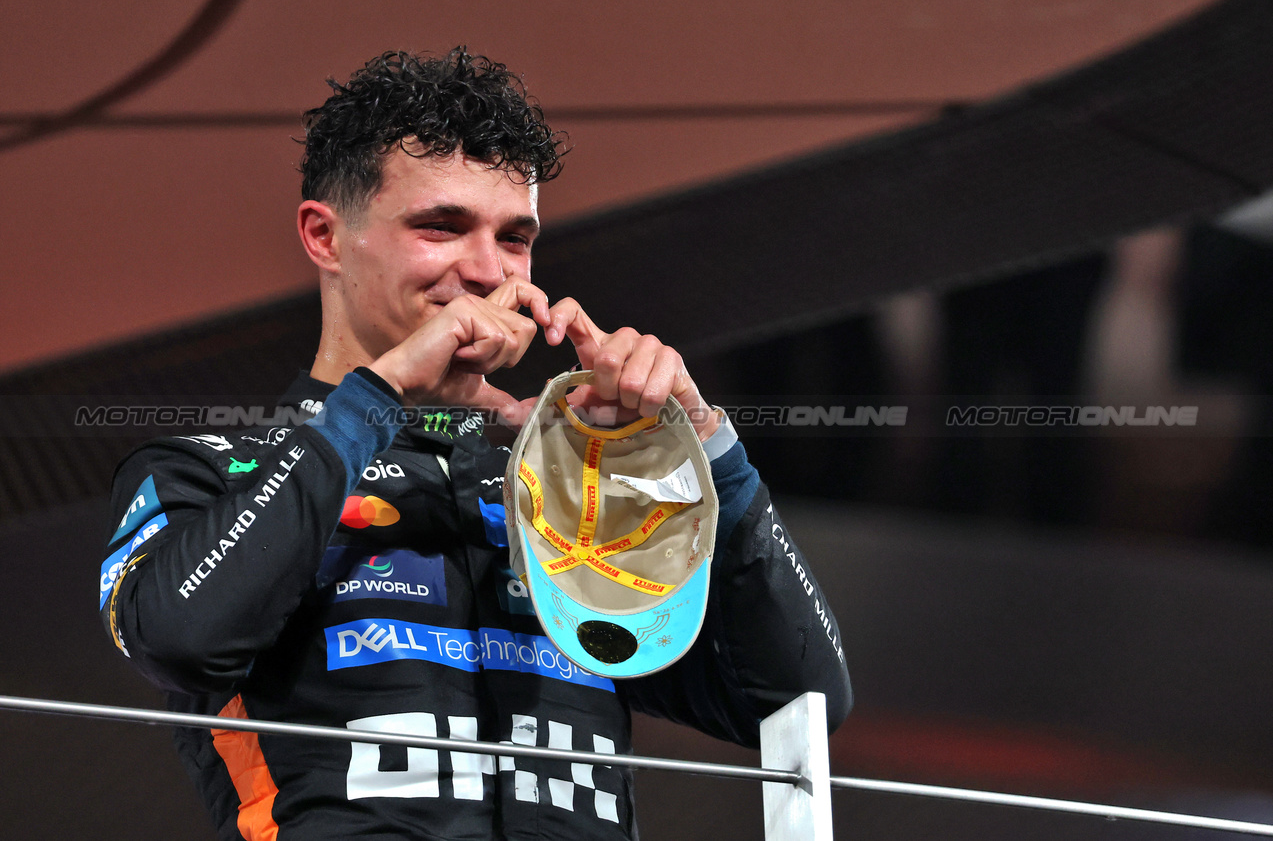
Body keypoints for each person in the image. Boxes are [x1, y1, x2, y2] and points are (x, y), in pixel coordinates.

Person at [98, 48, 851, 841]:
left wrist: (702, 448)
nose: (488, 270)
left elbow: (794, 707)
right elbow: (177, 638)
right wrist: (377, 402)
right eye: (440, 227)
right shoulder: (210, 469)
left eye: (514, 238)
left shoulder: (558, 484)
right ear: (325, 237)